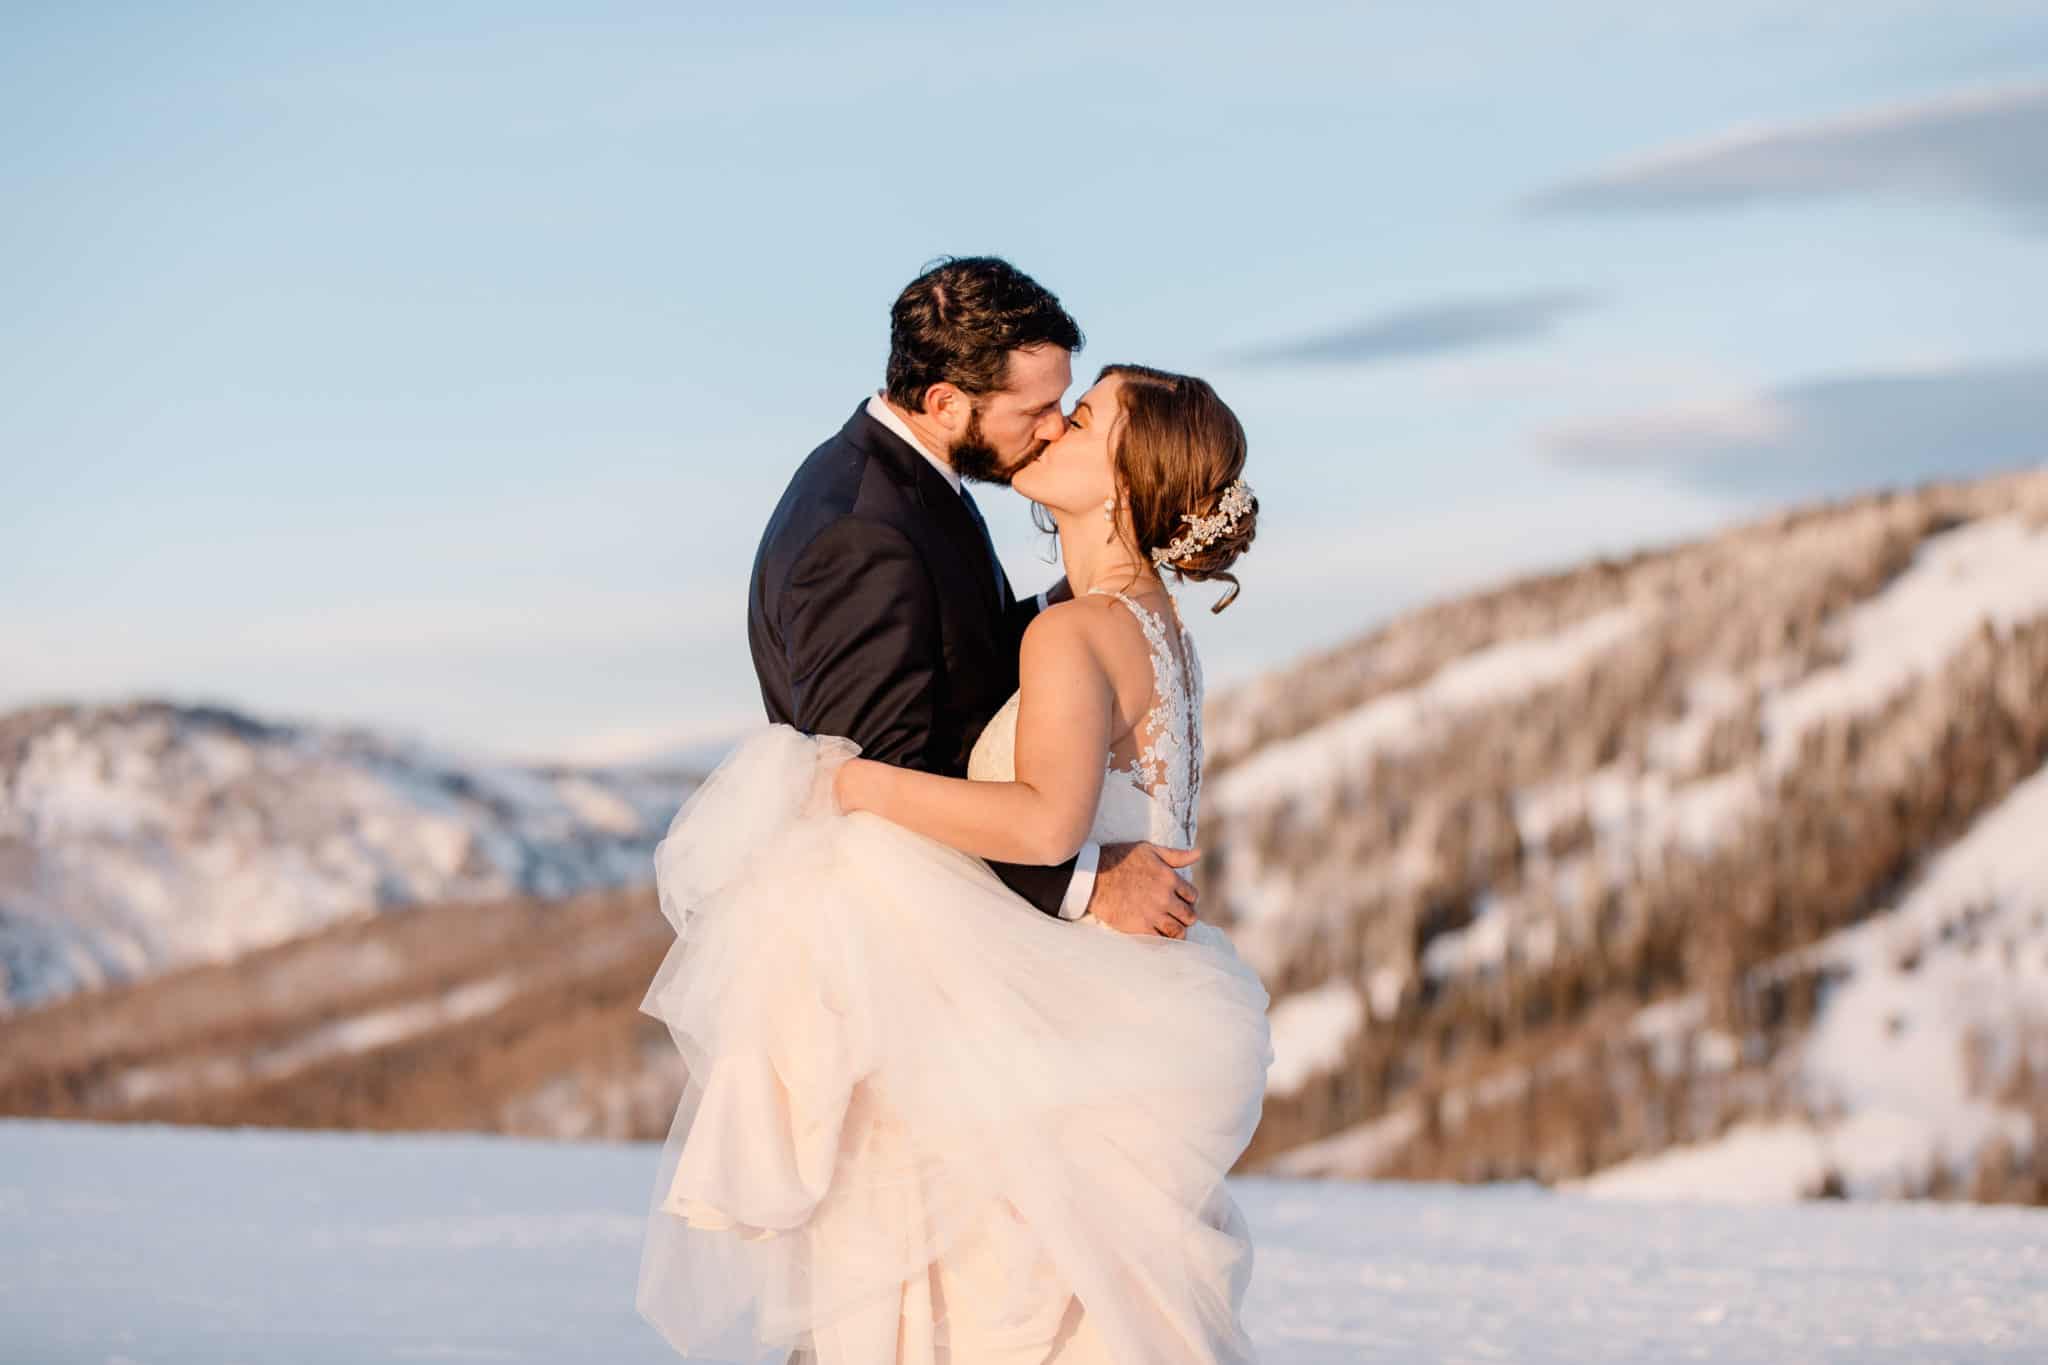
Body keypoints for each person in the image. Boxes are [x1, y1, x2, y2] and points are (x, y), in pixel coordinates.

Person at [636, 264, 1271, 1365]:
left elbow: (895, 778)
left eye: (1073, 416)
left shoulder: (1042, 592)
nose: (1046, 432)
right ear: (946, 403)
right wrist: (1073, 873)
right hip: (990, 982)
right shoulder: (868, 530)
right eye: (1040, 411)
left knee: (977, 1298)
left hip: (1033, 1001)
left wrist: (842, 785)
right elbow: (890, 769)